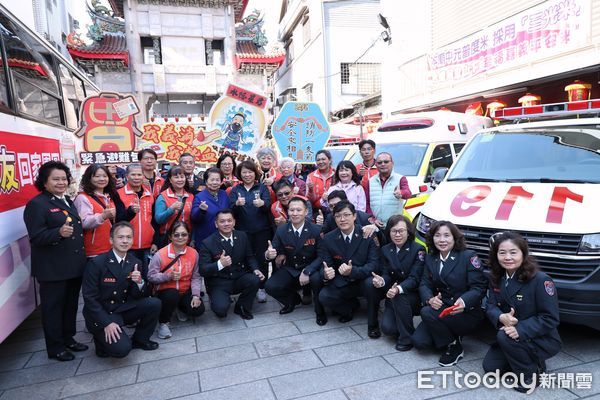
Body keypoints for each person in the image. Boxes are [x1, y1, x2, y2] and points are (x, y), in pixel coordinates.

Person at [23, 161, 88, 361]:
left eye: (64, 178)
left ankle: (68, 338)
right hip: (53, 269)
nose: (61, 182)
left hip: (73, 266)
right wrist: (57, 233)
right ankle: (55, 347)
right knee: (53, 309)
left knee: (70, 306)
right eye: (55, 179)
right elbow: (35, 237)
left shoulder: (67, 199)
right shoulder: (37, 204)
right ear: (44, 181)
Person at [482, 231, 561, 392]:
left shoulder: (541, 280)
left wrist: (520, 329)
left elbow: (550, 318)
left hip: (539, 337)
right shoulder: (496, 277)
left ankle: (531, 374)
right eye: (502, 252)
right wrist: (501, 316)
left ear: (523, 254)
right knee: (490, 368)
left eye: (513, 252)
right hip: (510, 335)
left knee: (503, 336)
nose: (508, 257)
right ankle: (527, 359)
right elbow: (490, 306)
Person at [412, 221, 487, 366]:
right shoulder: (431, 258)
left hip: (464, 311)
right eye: (437, 235)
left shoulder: (468, 256)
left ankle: (454, 346)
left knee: (426, 312)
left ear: (455, 238)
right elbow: (424, 283)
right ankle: (451, 336)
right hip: (440, 308)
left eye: (447, 235)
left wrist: (464, 302)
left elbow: (479, 287)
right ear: (432, 238)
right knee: (419, 342)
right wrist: (430, 298)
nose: (442, 240)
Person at [82, 221, 161, 358]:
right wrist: (106, 323)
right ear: (111, 240)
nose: (125, 241)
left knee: (154, 303)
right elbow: (90, 298)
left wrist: (139, 282)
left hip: (121, 309)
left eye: (129, 237)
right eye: (120, 237)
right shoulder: (97, 263)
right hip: (102, 313)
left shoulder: (135, 262)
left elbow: (138, 295)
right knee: (122, 350)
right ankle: (99, 340)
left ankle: (140, 340)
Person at [366, 215, 425, 349]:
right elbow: (386, 273)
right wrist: (381, 281)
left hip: (411, 295)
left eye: (401, 231)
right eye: (394, 231)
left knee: (399, 296)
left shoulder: (418, 250)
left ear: (408, 231)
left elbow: (415, 278)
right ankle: (403, 322)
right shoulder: (386, 249)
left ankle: (407, 338)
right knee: (388, 329)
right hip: (392, 294)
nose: (397, 234)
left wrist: (399, 288)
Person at [317, 201, 380, 324]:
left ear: (354, 216)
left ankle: (373, 323)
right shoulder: (329, 238)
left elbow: (374, 265)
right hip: (343, 282)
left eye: (346, 215)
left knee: (371, 284)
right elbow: (326, 265)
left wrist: (353, 271)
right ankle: (349, 309)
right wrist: (325, 274)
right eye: (338, 216)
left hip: (363, 280)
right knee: (324, 296)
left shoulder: (366, 234)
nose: (342, 219)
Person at [198, 209, 265, 319]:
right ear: (216, 224)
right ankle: (215, 299)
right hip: (219, 282)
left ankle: (242, 306)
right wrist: (220, 264)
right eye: (222, 221)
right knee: (221, 311)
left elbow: (250, 257)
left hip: (239, 277)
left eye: (229, 221)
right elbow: (203, 270)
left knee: (255, 279)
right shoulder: (207, 242)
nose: (226, 224)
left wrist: (255, 269)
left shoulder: (242, 236)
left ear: (234, 222)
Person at [264, 197, 322, 315]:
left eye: (299, 210)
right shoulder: (282, 229)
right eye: (291, 210)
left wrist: (308, 271)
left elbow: (322, 256)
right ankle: (292, 300)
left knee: (316, 279)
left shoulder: (316, 230)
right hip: (291, 268)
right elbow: (273, 248)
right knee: (270, 286)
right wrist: (268, 254)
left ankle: (320, 309)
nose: (295, 213)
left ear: (306, 212)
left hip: (311, 267)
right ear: (288, 212)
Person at [148, 222, 205, 339]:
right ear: (170, 236)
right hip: (165, 293)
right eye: (176, 235)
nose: (180, 238)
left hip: (184, 291)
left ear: (188, 236)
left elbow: (196, 277)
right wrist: (167, 276)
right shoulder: (160, 254)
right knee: (172, 294)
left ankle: (179, 307)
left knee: (198, 310)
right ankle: (164, 322)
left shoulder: (194, 253)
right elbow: (150, 276)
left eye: (184, 235)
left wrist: (195, 295)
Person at [229, 160, 272, 303]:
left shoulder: (262, 188)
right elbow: (230, 210)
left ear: (255, 173)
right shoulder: (236, 190)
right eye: (244, 172)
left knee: (262, 259)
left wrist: (263, 204)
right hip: (243, 231)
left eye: (250, 172)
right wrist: (236, 204)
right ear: (240, 174)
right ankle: (250, 286)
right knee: (245, 258)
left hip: (261, 230)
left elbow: (268, 207)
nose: (247, 175)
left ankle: (261, 287)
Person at [74, 164, 129, 258]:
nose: (102, 179)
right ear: (89, 178)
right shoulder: (83, 198)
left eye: (105, 176)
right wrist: (102, 216)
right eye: (97, 176)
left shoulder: (109, 196)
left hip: (110, 248)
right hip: (94, 251)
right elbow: (84, 222)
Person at [118, 163, 157, 270]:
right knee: (128, 279)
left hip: (147, 245)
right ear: (126, 176)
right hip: (126, 246)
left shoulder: (149, 194)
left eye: (139, 175)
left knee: (147, 277)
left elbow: (154, 220)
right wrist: (130, 211)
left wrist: (155, 241)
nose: (136, 178)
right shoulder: (119, 194)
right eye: (133, 175)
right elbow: (117, 220)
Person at [366, 152, 411, 229]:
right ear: (376, 165)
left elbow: (408, 193)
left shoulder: (400, 178)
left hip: (394, 226)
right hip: (376, 226)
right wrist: (372, 218)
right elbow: (367, 203)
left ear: (392, 163)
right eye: (379, 162)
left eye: (386, 162)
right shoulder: (370, 181)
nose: (383, 164)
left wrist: (401, 193)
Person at [154, 165, 194, 247]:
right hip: (169, 239)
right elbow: (158, 219)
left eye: (182, 177)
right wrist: (171, 209)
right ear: (170, 180)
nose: (180, 180)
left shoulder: (190, 196)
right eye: (176, 177)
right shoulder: (163, 196)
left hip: (186, 239)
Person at [191, 167, 229, 246]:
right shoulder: (199, 196)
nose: (215, 182)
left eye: (217, 180)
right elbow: (194, 217)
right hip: (206, 238)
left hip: (223, 236)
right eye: (212, 180)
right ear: (206, 181)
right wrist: (201, 210)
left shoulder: (224, 194)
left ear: (221, 181)